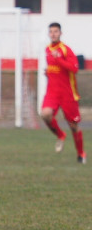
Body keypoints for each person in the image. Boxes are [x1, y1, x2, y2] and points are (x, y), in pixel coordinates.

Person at [40, 22, 85, 164]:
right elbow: (54, 69)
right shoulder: (47, 49)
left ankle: (81, 154)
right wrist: (48, 73)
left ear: (60, 33)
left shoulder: (66, 50)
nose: (53, 34)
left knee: (73, 125)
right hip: (52, 92)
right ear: (48, 34)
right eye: (51, 32)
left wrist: (59, 59)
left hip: (68, 94)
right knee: (45, 114)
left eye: (56, 31)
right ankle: (61, 135)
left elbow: (74, 68)